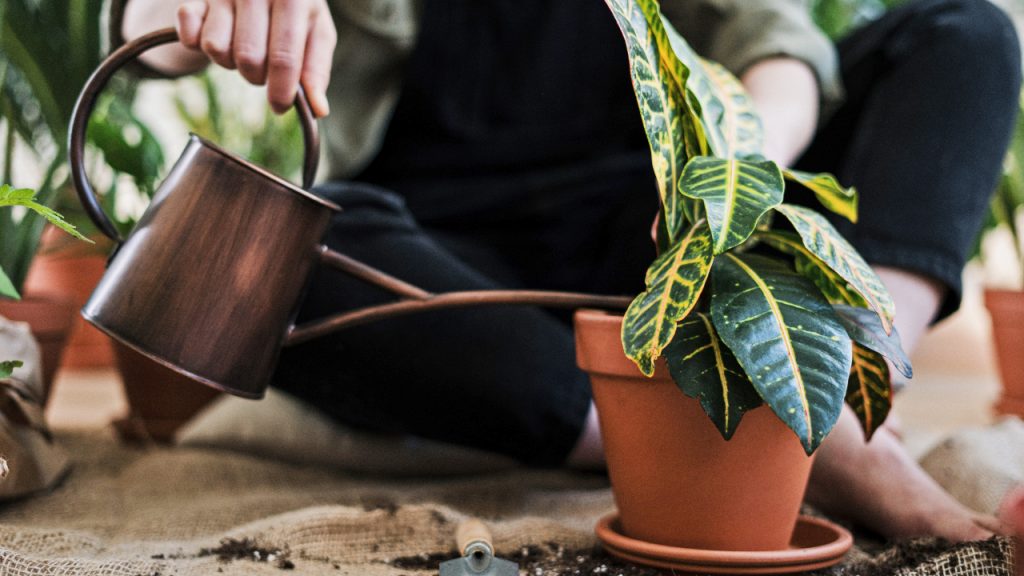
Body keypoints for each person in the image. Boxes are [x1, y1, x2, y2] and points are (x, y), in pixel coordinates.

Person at [116, 0, 1021, 542]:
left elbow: (778, 47)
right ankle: (681, 430)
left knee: (966, 35)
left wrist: (733, 180)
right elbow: (145, 33)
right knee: (279, 262)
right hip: (438, 247)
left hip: (666, 233)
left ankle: (858, 400)